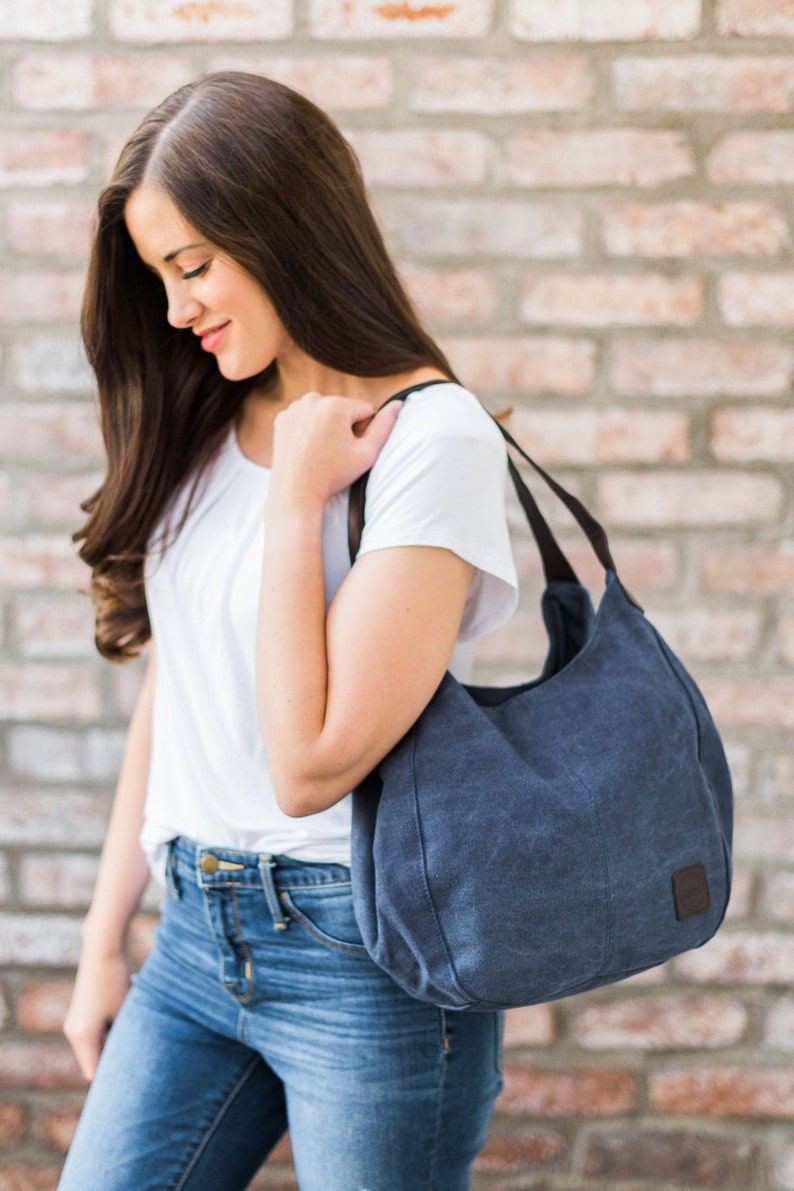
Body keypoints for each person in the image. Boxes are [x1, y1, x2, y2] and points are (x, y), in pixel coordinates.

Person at [58, 71, 518, 1191]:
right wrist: (101, 935)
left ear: (283, 230)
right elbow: (180, 692)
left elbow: (309, 764)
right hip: (191, 938)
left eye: (193, 267)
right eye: (159, 277)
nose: (174, 311)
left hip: (361, 958)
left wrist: (296, 499)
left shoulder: (428, 440)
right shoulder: (212, 413)